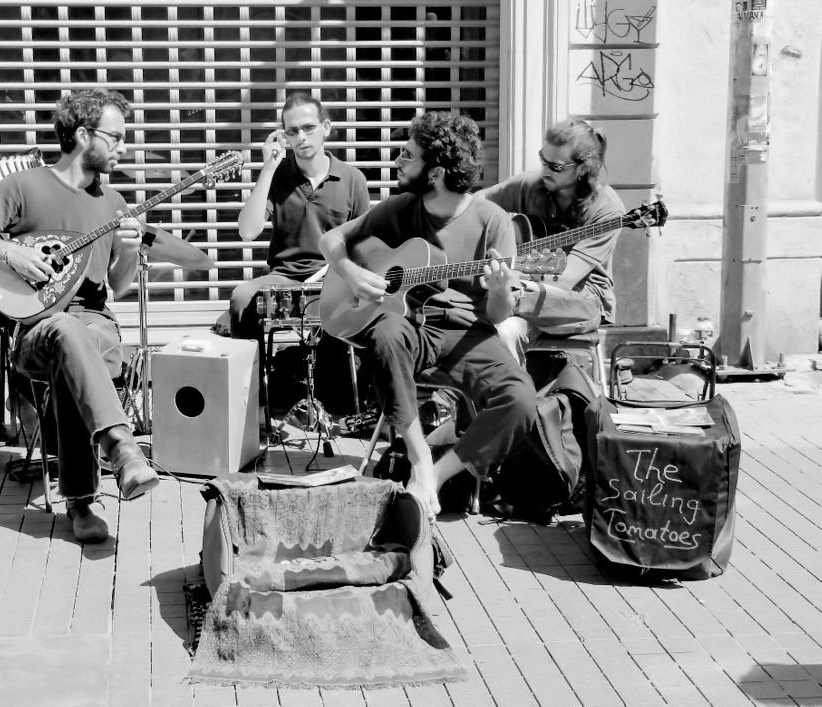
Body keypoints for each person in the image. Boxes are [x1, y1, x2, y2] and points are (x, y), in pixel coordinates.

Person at [0, 88, 159, 543]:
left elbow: (116, 288)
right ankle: (120, 451)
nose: (125, 146)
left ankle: (81, 501)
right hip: (34, 333)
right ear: (83, 135)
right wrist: (10, 253)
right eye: (116, 137)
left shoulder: (115, 202)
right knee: (64, 331)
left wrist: (127, 250)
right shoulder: (25, 186)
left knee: (77, 336)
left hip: (97, 327)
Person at [319, 111, 536, 517]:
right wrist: (351, 272)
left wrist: (503, 290)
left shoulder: (493, 222)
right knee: (385, 337)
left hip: (468, 332)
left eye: (407, 154)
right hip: (412, 328)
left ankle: (437, 475)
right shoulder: (402, 207)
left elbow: (498, 313)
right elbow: (332, 239)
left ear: (434, 172)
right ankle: (419, 459)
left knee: (521, 398)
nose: (397, 160)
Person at [475, 119, 624, 363]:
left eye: (555, 167)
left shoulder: (607, 209)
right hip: (524, 295)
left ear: (583, 168)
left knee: (491, 299)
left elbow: (565, 278)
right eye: (543, 160)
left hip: (581, 300)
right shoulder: (530, 185)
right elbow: (477, 204)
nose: (545, 170)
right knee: (505, 331)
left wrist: (506, 279)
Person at [227, 93, 370, 339]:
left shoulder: (353, 179)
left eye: (308, 128)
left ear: (325, 128)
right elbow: (247, 231)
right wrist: (268, 168)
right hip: (285, 279)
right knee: (241, 298)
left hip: (336, 278)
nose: (301, 137)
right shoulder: (276, 175)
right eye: (292, 131)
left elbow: (366, 246)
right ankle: (255, 377)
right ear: (284, 137)